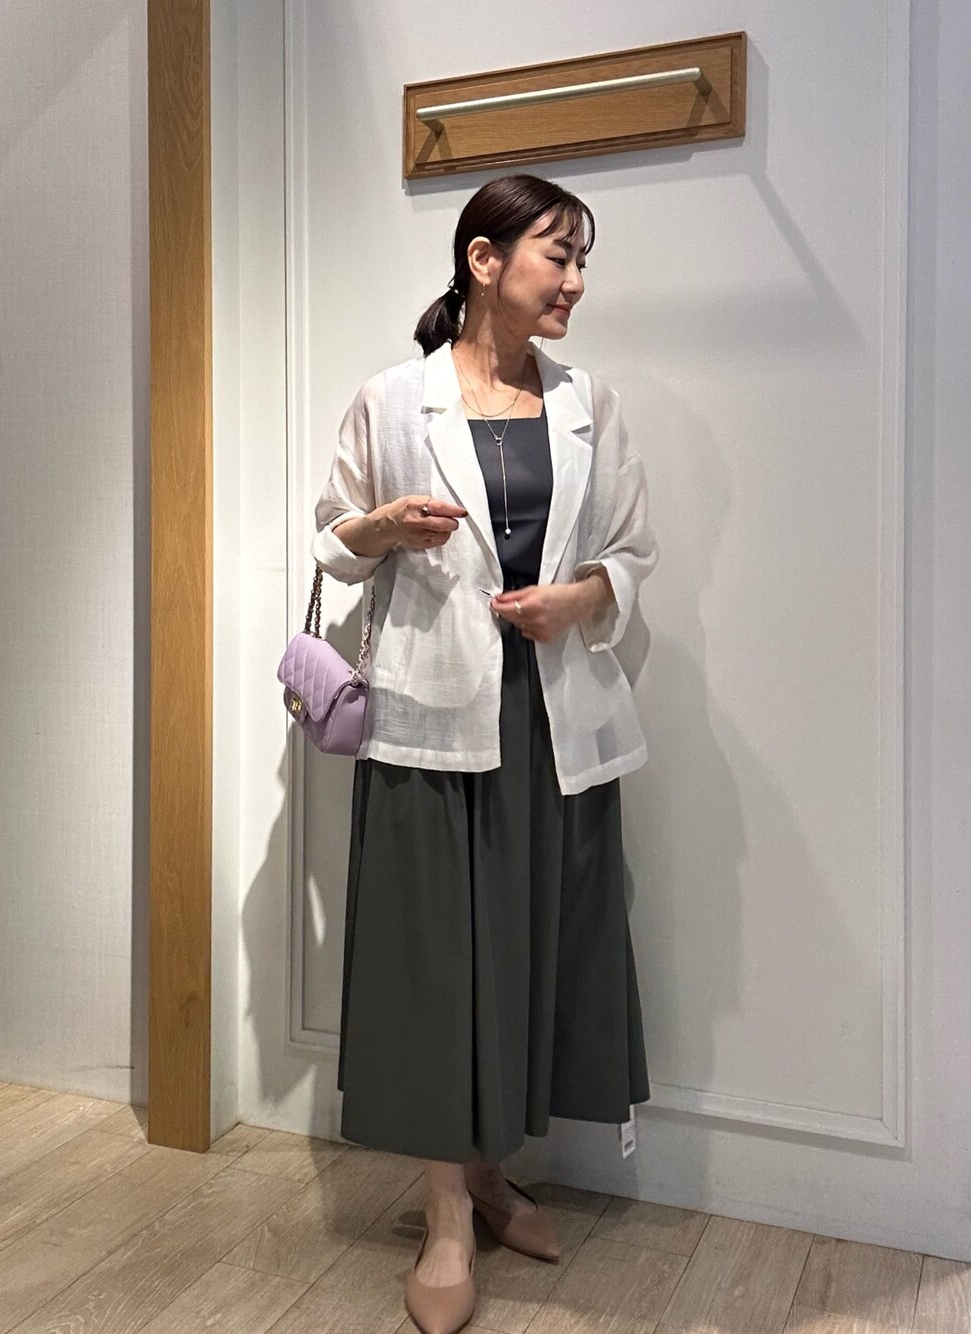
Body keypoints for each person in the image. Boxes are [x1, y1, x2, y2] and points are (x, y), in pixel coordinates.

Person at [311, 173, 659, 1334]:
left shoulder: (589, 402)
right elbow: (331, 537)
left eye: (580, 260)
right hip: (431, 716)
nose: (575, 282)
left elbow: (631, 550)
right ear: (482, 259)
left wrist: (580, 597)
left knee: (525, 951)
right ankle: (447, 1216)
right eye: (559, 255)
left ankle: (494, 1172)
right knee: (435, 965)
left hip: (550, 716)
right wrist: (381, 526)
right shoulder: (391, 399)